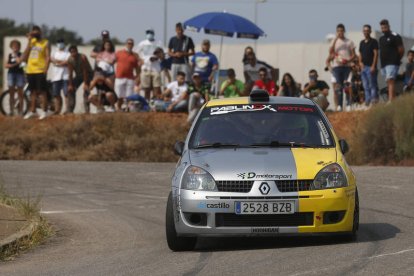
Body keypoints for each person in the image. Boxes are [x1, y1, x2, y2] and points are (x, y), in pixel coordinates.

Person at [22, 25, 51, 120]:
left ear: (40, 33)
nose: (35, 33)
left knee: (42, 91)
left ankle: (44, 111)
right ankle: (33, 111)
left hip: (40, 70)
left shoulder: (45, 43)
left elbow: (47, 57)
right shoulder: (32, 42)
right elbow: (25, 56)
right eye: (33, 32)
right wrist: (29, 41)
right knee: (32, 92)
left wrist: (46, 69)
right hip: (30, 70)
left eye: (36, 32)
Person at [326, 23, 356, 111]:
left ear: (344, 31)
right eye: (338, 31)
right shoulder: (334, 41)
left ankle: (348, 104)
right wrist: (335, 39)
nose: (340, 32)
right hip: (337, 66)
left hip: (347, 66)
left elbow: (354, 55)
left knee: (347, 85)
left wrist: (349, 60)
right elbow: (330, 52)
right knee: (338, 86)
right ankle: (339, 105)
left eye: (341, 31)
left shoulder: (349, 42)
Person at [379, 19, 404, 102]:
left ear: (389, 26)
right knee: (388, 81)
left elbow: (401, 50)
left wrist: (397, 59)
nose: (383, 29)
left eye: (385, 27)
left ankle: (390, 100)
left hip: (392, 63)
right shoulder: (381, 38)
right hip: (384, 64)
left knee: (390, 80)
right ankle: (393, 99)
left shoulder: (395, 36)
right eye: (382, 28)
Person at [115, 38, 140, 111]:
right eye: (128, 43)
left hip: (130, 78)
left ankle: (127, 109)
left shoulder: (135, 55)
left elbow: (137, 68)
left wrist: (138, 77)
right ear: (126, 44)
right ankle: (118, 109)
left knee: (129, 97)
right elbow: (112, 61)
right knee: (119, 96)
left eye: (131, 43)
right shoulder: (119, 53)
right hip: (119, 77)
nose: (130, 45)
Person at [68, 45, 94, 114]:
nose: (74, 53)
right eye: (72, 52)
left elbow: (85, 70)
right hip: (79, 75)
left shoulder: (82, 57)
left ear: (77, 51)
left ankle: (87, 110)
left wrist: (85, 83)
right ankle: (70, 109)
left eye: (75, 51)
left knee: (86, 91)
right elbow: (70, 73)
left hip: (88, 74)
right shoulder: (70, 60)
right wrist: (70, 84)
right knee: (71, 90)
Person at [358, 24, 379, 107]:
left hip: (371, 67)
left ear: (370, 31)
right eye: (364, 31)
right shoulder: (362, 43)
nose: (366, 32)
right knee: (365, 85)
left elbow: (376, 54)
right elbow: (360, 53)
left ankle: (374, 100)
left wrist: (373, 66)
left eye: (367, 30)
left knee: (372, 85)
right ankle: (367, 100)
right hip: (363, 67)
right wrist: (360, 62)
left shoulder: (374, 42)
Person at [4, 39, 25, 116]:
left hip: (19, 74)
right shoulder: (9, 55)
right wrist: (14, 65)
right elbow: (6, 65)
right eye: (13, 46)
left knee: (20, 93)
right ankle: (11, 110)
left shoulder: (21, 54)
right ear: (11, 47)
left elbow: (20, 61)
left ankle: (21, 111)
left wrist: (16, 56)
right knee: (11, 93)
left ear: (19, 47)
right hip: (11, 74)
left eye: (17, 46)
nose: (15, 48)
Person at [50, 39, 70, 115]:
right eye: (58, 43)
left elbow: (68, 61)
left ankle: (67, 109)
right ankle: (57, 109)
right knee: (56, 94)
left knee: (66, 94)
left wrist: (58, 62)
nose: (60, 44)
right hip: (56, 76)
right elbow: (51, 59)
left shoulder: (67, 52)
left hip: (65, 75)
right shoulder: (54, 51)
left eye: (61, 43)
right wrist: (61, 62)